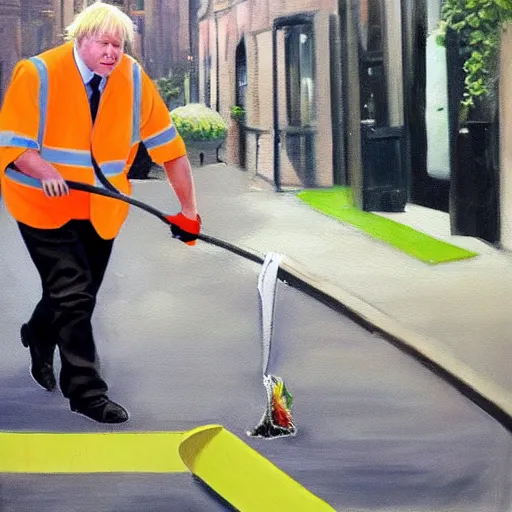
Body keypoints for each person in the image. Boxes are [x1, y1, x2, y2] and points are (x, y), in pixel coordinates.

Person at [0, 1, 201, 424]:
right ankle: (87, 392)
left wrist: (189, 211)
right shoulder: (36, 73)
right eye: (104, 43)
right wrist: (44, 169)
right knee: (72, 293)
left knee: (76, 294)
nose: (112, 52)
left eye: (119, 44)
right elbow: (14, 145)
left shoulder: (131, 77)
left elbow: (170, 149)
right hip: (42, 202)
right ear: (81, 38)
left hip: (101, 206)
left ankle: (38, 333)